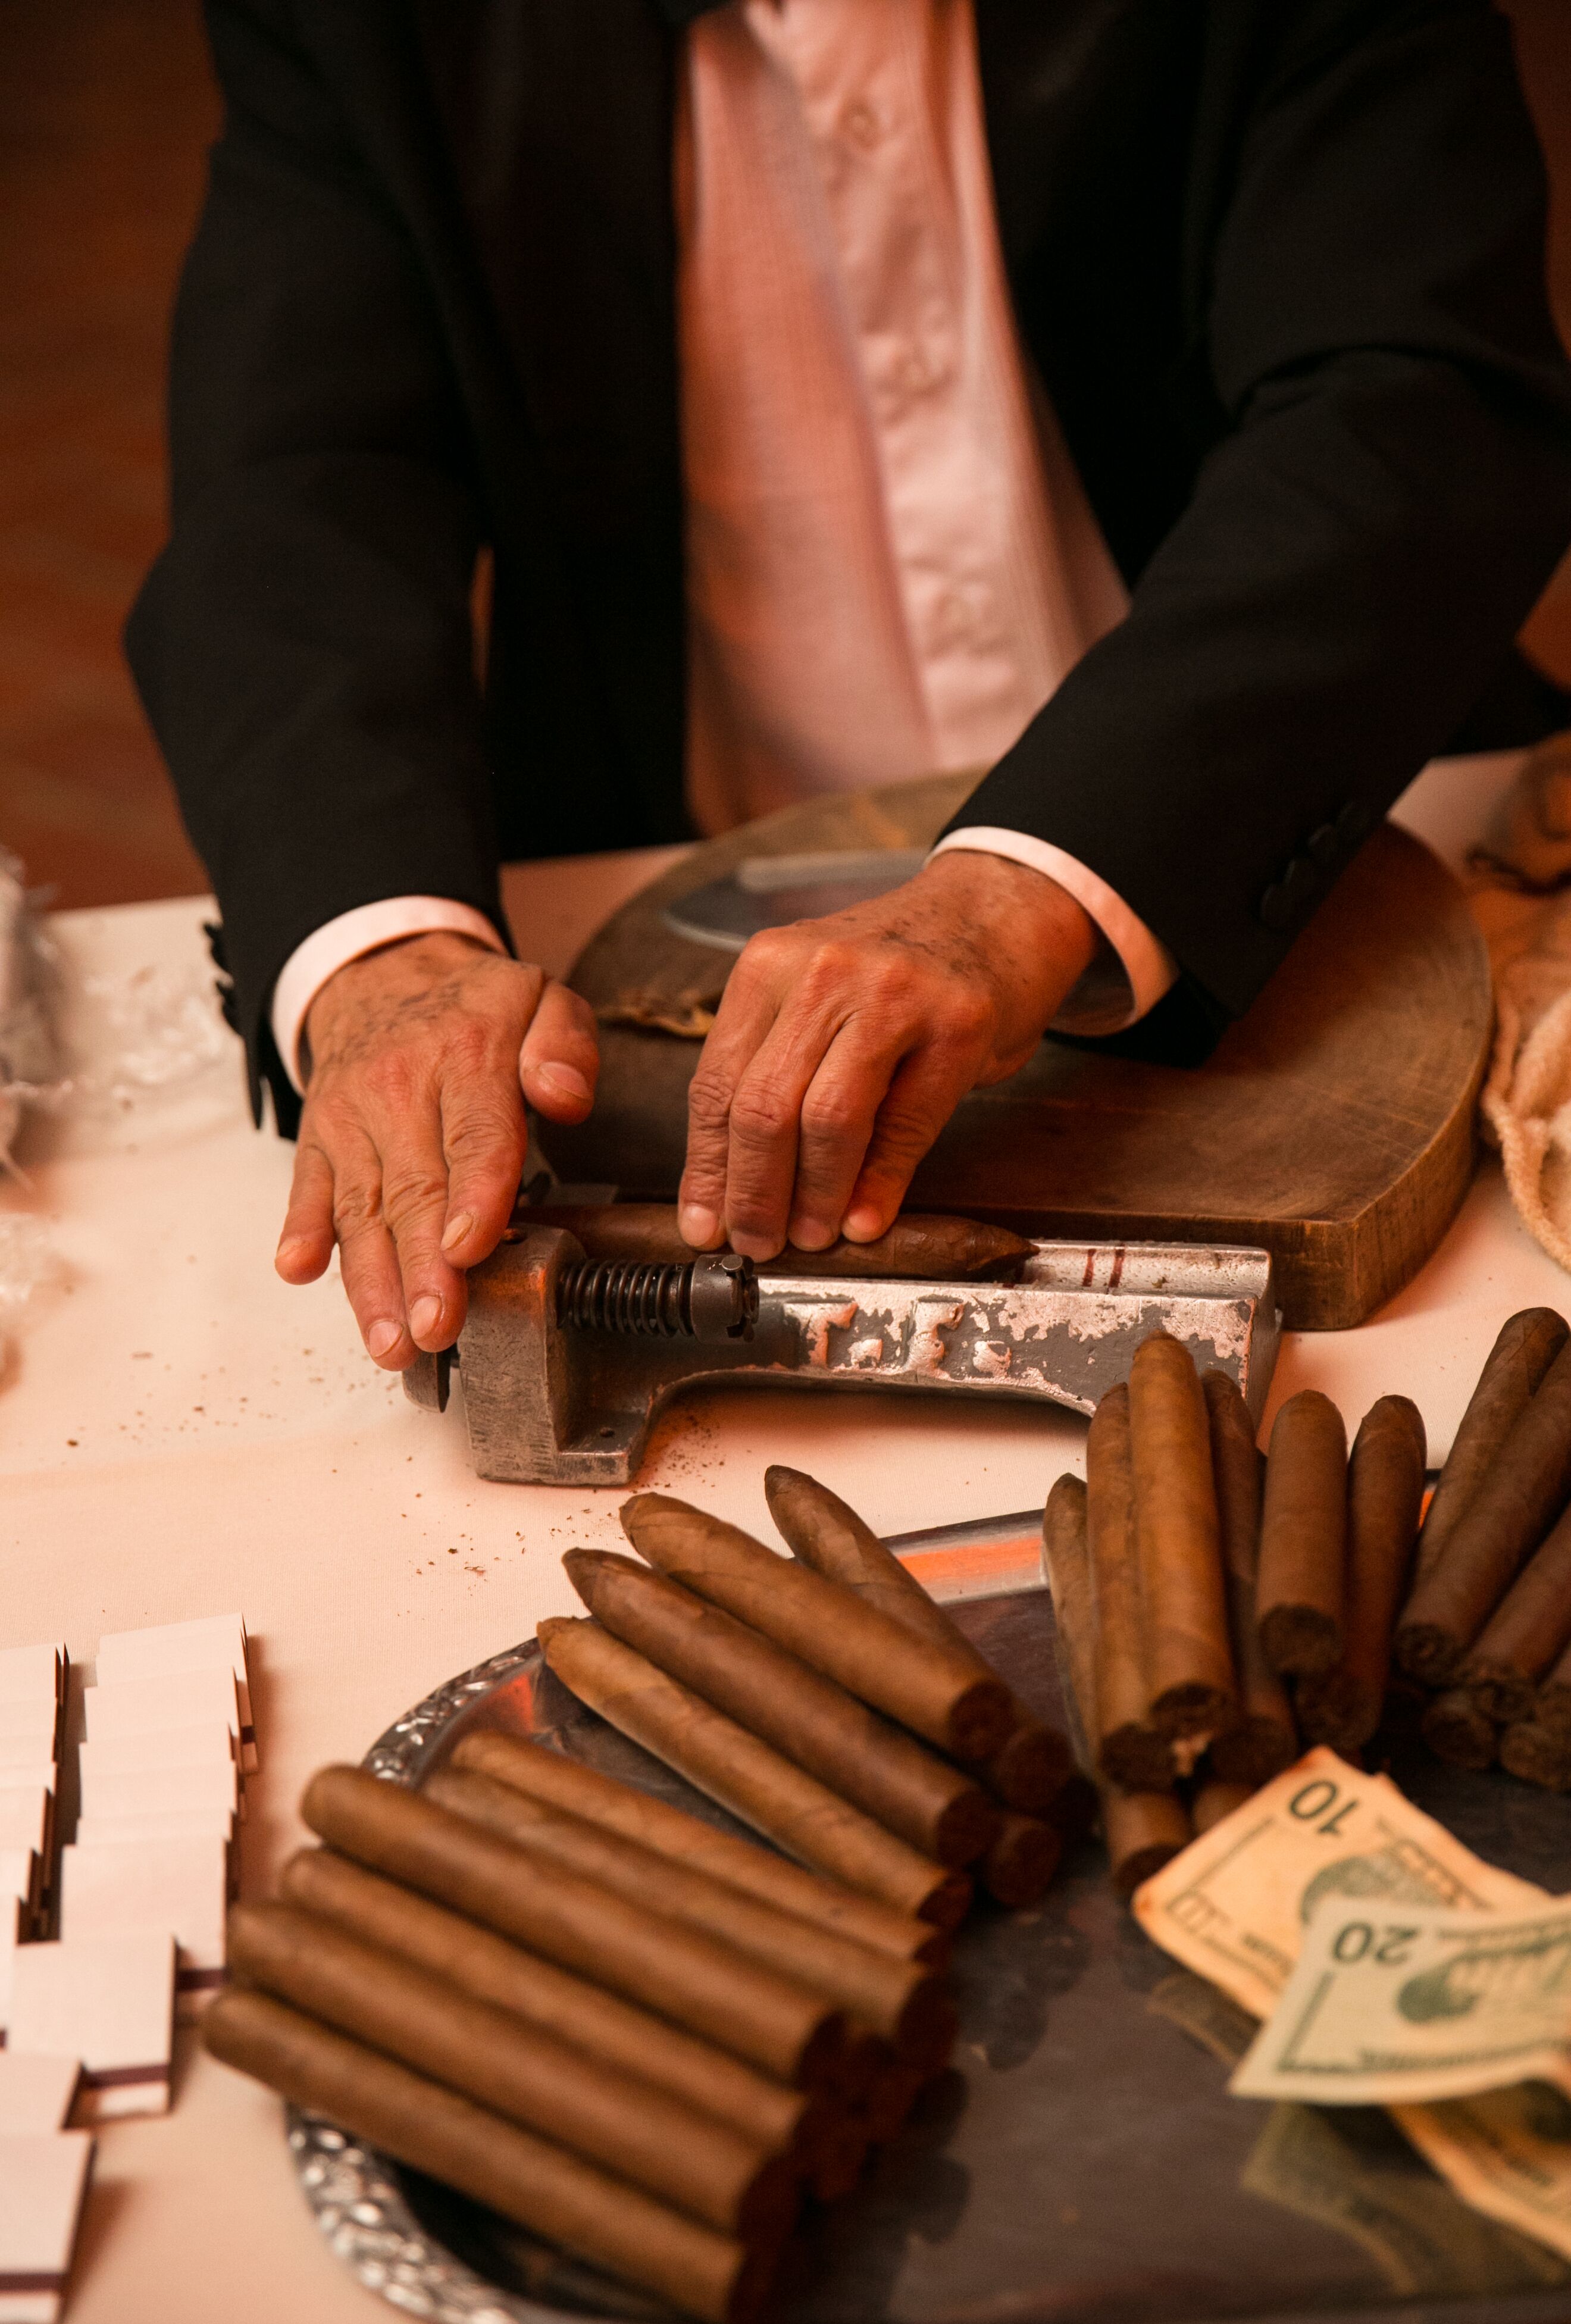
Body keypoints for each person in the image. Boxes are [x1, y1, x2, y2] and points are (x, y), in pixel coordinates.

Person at [128, 0, 1571, 1375]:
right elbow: (295, 488)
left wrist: (1032, 880)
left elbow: (1416, 402)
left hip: (1290, 846)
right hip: (669, 885)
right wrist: (382, 954)